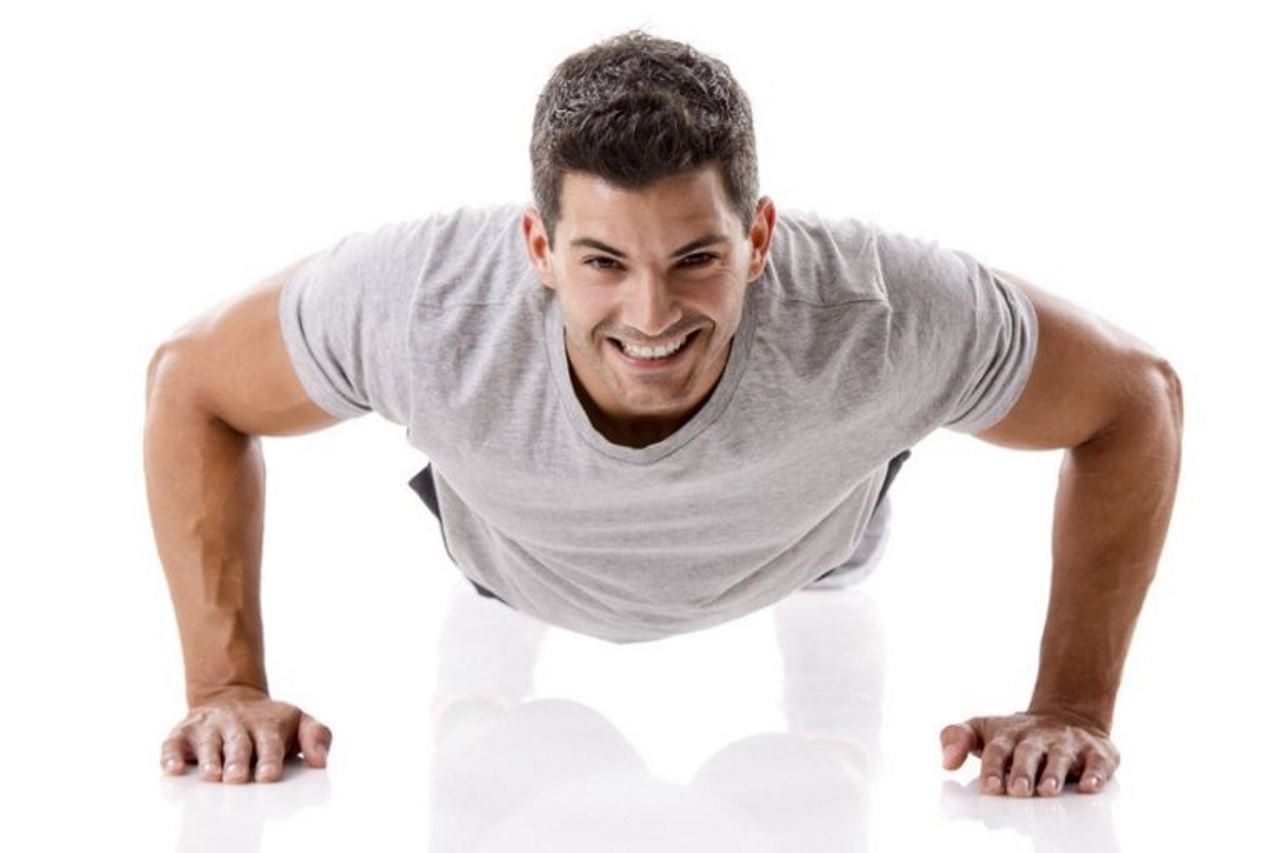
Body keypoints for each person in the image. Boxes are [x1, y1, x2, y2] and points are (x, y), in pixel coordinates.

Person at [144, 29, 1182, 797]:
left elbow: (1133, 400)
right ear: (539, 248)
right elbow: (191, 383)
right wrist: (225, 684)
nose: (651, 316)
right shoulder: (418, 300)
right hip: (512, 559)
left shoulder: (879, 308)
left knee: (795, 782)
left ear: (760, 236)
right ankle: (473, 707)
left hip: (803, 545)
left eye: (696, 258)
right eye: (601, 262)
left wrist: (1068, 707)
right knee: (514, 767)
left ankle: (831, 726)